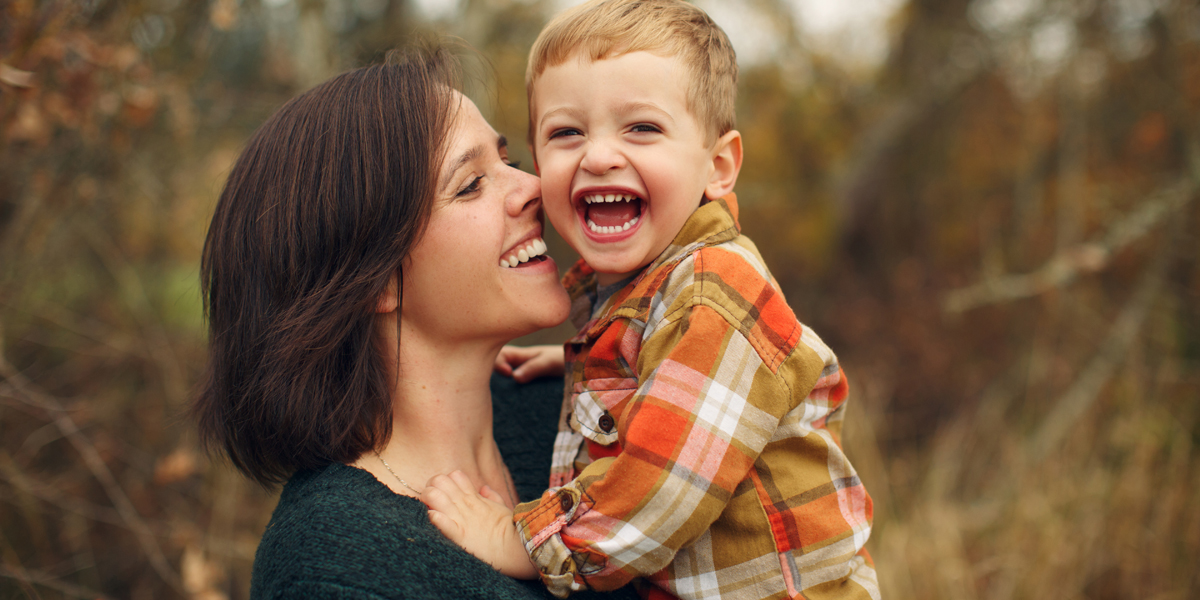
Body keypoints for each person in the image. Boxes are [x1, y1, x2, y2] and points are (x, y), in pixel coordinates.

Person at [420, 2, 880, 599]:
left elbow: (663, 485)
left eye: (642, 128)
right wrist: (579, 361)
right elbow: (673, 375)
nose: (599, 155)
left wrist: (526, 544)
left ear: (717, 167)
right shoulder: (651, 296)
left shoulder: (716, 296)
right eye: (566, 132)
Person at [192, 44, 639, 600]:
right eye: (471, 184)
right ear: (374, 279)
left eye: (511, 164)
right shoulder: (333, 564)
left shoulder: (582, 417)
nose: (535, 188)